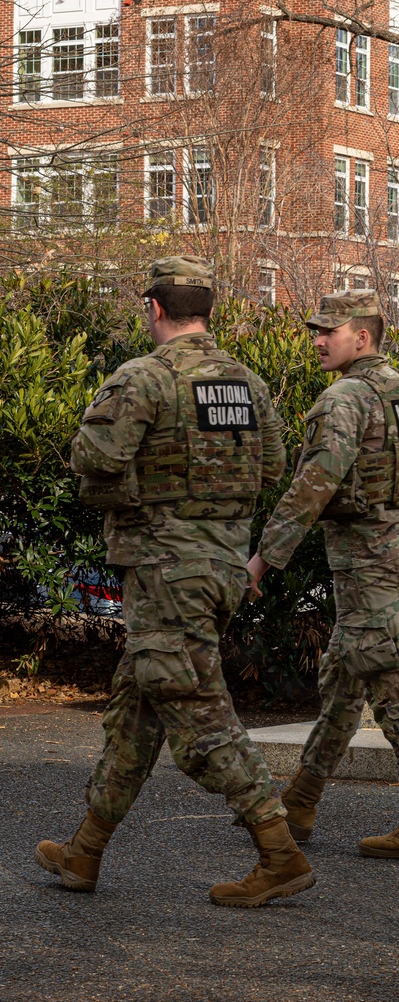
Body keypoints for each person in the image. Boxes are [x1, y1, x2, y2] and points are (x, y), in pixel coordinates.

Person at [35, 256, 315, 908]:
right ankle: (85, 850)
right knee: (136, 712)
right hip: (219, 572)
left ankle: (280, 852)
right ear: (206, 312)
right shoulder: (247, 383)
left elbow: (94, 457)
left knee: (197, 719)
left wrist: (124, 489)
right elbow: (273, 464)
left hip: (165, 573)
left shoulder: (144, 377)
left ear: (155, 309)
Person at [246, 290, 399, 860]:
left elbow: (313, 485)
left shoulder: (345, 399)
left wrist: (264, 557)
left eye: (327, 332)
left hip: (367, 559)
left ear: (361, 338)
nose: (317, 340)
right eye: (316, 330)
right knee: (345, 676)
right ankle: (302, 801)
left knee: (393, 686)